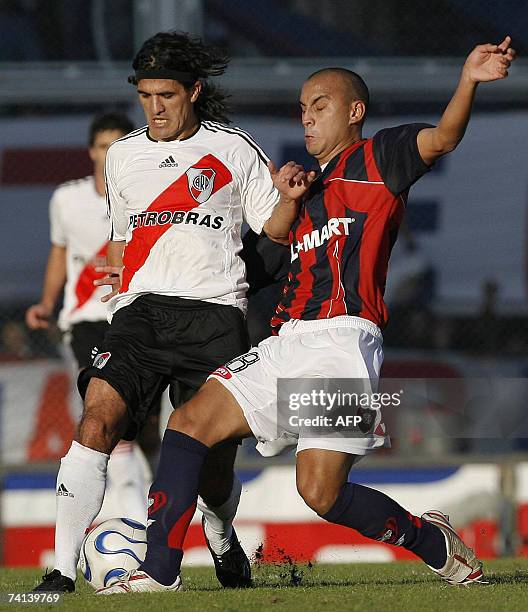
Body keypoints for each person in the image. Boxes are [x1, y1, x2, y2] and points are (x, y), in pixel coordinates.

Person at [96, 37, 516, 594]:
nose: (308, 116)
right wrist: (286, 202)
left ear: (355, 112)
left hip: (343, 343)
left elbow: (442, 139)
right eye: (302, 107)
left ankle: (428, 540)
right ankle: (158, 573)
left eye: (320, 105)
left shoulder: (379, 158)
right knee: (188, 424)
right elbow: (258, 258)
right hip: (286, 340)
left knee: (320, 493)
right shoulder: (301, 188)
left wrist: (468, 80)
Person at [32, 31, 311, 593]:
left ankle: (222, 532)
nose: (154, 108)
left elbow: (275, 230)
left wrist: (289, 197)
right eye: (145, 96)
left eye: (166, 95)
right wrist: (119, 270)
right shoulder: (126, 156)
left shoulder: (234, 148)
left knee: (211, 467)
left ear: (193, 91)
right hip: (139, 315)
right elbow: (121, 237)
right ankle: (61, 571)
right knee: (97, 418)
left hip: (213, 315)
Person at [25, 112, 151, 560]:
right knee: (107, 421)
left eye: (118, 144)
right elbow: (61, 253)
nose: (109, 154)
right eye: (102, 145)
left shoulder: (146, 197)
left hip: (137, 319)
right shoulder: (68, 199)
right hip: (85, 324)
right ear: (92, 150)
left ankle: (143, 524)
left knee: (144, 429)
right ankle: (137, 532)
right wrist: (46, 302)